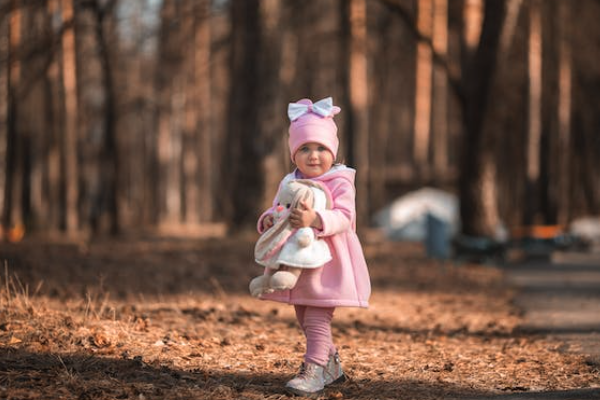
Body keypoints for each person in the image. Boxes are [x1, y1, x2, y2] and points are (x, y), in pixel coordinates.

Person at [253, 97, 371, 397]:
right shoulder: (289, 181)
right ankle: (332, 364)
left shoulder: (340, 180)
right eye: (304, 148)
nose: (313, 155)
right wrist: (268, 220)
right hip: (295, 261)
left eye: (320, 148)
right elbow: (277, 209)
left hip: (329, 262)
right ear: (294, 154)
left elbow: (345, 217)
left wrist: (315, 218)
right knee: (304, 315)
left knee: (318, 315)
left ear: (333, 151)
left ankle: (314, 369)